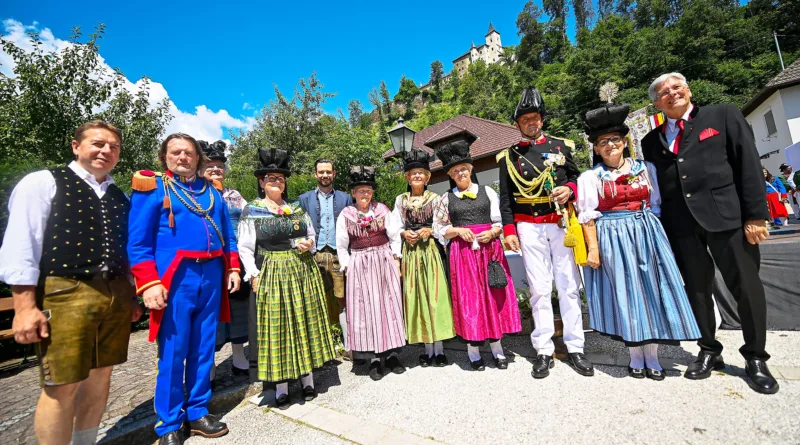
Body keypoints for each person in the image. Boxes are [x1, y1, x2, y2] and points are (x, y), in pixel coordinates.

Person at [0, 121, 140, 445]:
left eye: (114, 147)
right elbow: (23, 244)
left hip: (116, 293)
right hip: (65, 293)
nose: (106, 150)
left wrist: (131, 295)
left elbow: (127, 249)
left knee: (101, 376)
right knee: (61, 385)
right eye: (98, 143)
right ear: (76, 146)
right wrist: (24, 308)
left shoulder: (119, 196)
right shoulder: (43, 183)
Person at [641, 72, 778, 394]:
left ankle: (756, 356)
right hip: (681, 225)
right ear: (656, 103)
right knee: (697, 290)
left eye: (676, 88)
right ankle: (708, 350)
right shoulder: (650, 140)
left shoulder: (723, 115)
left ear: (687, 90)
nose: (671, 94)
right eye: (663, 92)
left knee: (745, 286)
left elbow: (747, 162)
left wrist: (756, 215)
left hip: (727, 217)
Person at [128, 133, 241, 445]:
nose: (182, 157)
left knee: (204, 348)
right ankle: (169, 423)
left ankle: (198, 411)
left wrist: (232, 267)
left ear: (198, 157)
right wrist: (148, 283)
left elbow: (228, 235)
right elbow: (138, 243)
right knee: (174, 352)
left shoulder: (211, 191)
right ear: (165, 156)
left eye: (188, 152)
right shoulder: (151, 188)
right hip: (177, 277)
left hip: (212, 273)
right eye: (175, 152)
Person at [578, 104, 701, 380]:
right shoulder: (590, 178)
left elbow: (655, 205)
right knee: (626, 293)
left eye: (615, 140)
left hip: (646, 232)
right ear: (596, 149)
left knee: (652, 291)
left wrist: (657, 238)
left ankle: (653, 356)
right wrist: (594, 250)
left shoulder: (646, 169)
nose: (610, 145)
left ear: (624, 142)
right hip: (611, 235)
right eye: (602, 142)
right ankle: (635, 356)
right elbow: (587, 216)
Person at [497, 87, 594, 379]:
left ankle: (575, 346)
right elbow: (505, 198)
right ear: (518, 123)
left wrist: (570, 189)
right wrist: (509, 229)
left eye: (536, 117)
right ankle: (543, 349)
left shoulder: (562, 147)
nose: (531, 122)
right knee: (539, 288)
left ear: (542, 119)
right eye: (526, 119)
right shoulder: (509, 156)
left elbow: (578, 177)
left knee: (568, 285)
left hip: (559, 221)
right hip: (528, 224)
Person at [237, 148, 336, 409]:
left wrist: (308, 244)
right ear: (261, 182)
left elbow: (312, 236)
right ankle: (281, 387)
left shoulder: (295, 208)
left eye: (279, 178)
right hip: (272, 270)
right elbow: (245, 247)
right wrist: (253, 274)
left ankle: (308, 380)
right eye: (270, 178)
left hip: (302, 270)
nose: (275, 182)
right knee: (278, 327)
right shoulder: (252, 210)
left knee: (305, 322)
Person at [433, 135, 520, 371]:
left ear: (470, 170)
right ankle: (473, 350)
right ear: (450, 176)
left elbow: (499, 221)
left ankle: (497, 349)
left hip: (489, 251)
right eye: (455, 171)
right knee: (470, 299)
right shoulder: (445, 198)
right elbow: (439, 229)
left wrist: (493, 233)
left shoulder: (487, 192)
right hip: (462, 255)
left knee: (494, 296)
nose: (460, 174)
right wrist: (458, 230)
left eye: (463, 169)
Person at [335, 166, 406, 380]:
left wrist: (395, 259)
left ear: (372, 192)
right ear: (353, 193)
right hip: (360, 263)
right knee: (366, 310)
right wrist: (348, 266)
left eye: (368, 190)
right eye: (360, 190)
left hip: (383, 260)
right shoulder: (346, 214)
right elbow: (341, 245)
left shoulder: (383, 210)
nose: (364, 194)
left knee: (388, 306)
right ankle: (374, 359)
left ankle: (392, 354)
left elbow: (394, 237)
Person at [390, 149, 455, 367]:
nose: (417, 176)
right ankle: (427, 349)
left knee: (434, 296)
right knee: (417, 297)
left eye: (421, 173)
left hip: (430, 252)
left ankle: (440, 349)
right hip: (411, 253)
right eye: (413, 173)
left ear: (427, 177)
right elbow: (394, 225)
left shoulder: (436, 199)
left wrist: (430, 230)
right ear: (407, 177)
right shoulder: (401, 200)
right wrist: (403, 233)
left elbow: (443, 224)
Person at [198, 140, 250, 384]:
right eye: (210, 166)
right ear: (200, 169)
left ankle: (239, 358)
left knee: (238, 309)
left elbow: (250, 221)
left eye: (219, 166)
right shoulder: (195, 193)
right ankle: (208, 366)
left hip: (235, 260)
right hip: (208, 262)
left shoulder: (235, 196)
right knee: (211, 313)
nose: (215, 170)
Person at [298, 159, 354, 359]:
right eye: (321, 172)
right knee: (316, 300)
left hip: (339, 253)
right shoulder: (304, 199)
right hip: (315, 254)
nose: (324, 175)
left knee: (342, 299)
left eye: (328, 172)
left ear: (334, 174)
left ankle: (348, 344)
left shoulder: (345, 198)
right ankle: (323, 347)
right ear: (315, 174)